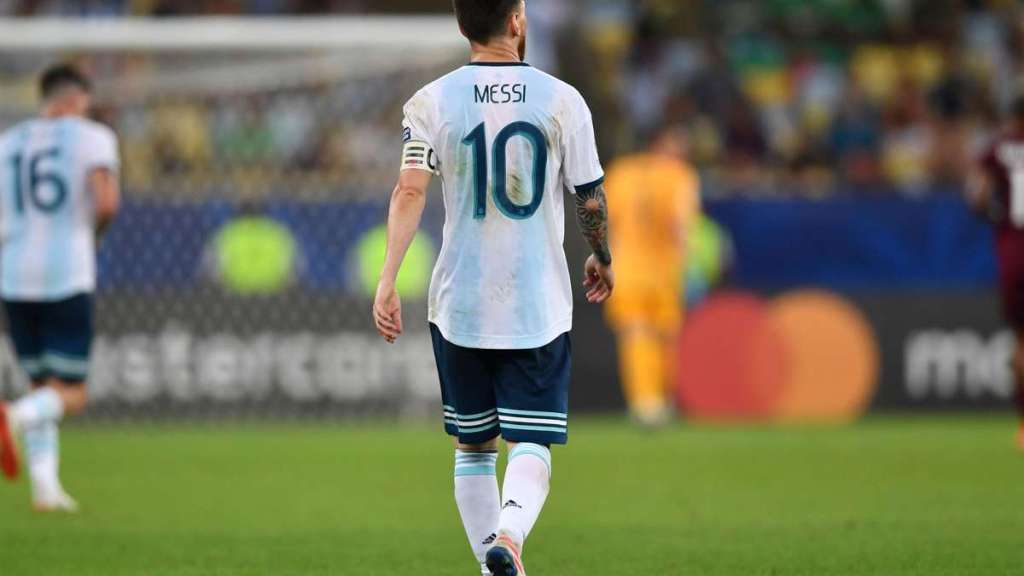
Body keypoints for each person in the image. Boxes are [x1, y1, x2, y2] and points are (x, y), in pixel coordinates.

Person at [372, 1, 613, 574]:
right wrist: (602, 256)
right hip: (536, 302)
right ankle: (509, 535)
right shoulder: (563, 100)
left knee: (473, 447)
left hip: (459, 303)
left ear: (462, 26)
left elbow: (409, 191)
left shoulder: (429, 101)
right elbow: (590, 199)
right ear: (517, 22)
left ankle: (492, 563)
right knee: (531, 441)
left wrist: (387, 279)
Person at [0, 64, 121, 511]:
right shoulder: (92, 137)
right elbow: (105, 201)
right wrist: (95, 236)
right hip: (66, 272)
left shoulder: (8, 143)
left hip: (14, 273)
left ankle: (46, 489)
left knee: (42, 385)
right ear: (75, 100)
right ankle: (11, 416)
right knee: (71, 393)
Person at [604, 125, 700, 426]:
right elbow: (682, 223)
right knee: (665, 335)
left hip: (626, 268)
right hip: (664, 270)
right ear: (660, 143)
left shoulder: (620, 173)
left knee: (635, 333)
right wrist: (690, 263)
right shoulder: (679, 175)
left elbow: (603, 219)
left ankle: (644, 402)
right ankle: (661, 399)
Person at [967, 94, 1024, 450]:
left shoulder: (997, 148)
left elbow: (976, 196)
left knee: (1021, 341)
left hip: (1015, 253)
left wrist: (992, 215)